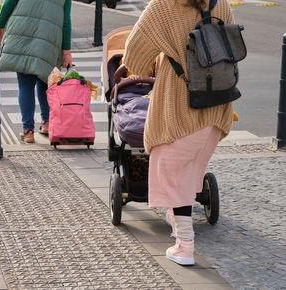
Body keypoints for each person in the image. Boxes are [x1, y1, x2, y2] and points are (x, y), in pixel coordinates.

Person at [122, 0, 235, 265]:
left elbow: (135, 56)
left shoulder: (163, 5)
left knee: (172, 172)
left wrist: (165, 52)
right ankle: (177, 221)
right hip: (218, 101)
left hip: (181, 105)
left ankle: (184, 247)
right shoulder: (220, 3)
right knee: (189, 169)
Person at [0, 0, 73, 144]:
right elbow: (66, 21)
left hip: (22, 33)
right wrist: (66, 51)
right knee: (45, 82)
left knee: (25, 85)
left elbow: (8, 4)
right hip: (49, 39)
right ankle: (47, 123)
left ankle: (28, 131)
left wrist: (0, 26)